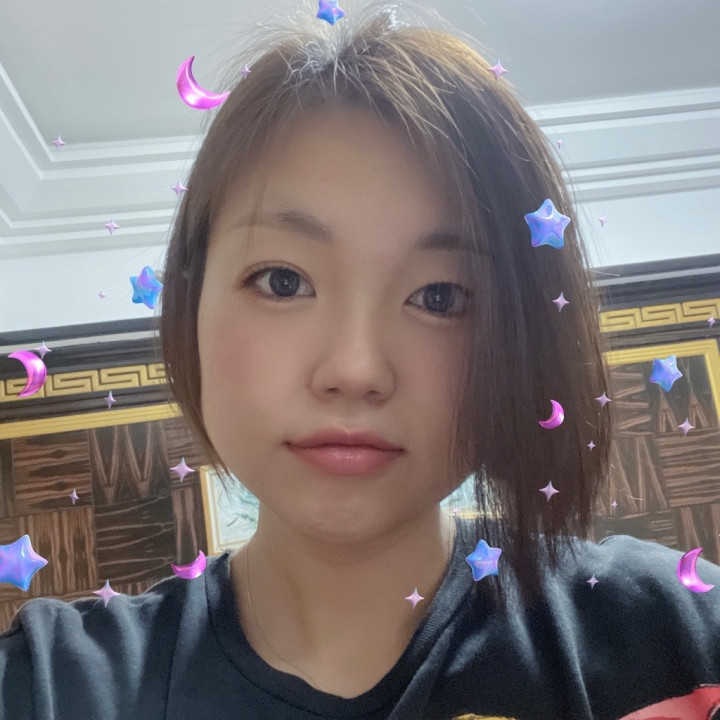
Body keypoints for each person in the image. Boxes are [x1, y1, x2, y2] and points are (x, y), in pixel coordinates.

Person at [2, 1, 719, 718]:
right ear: (191, 306)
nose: (356, 369)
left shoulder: (667, 637)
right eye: (283, 281)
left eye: (439, 296)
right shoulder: (53, 686)